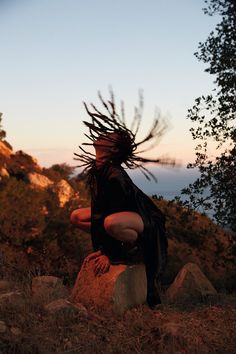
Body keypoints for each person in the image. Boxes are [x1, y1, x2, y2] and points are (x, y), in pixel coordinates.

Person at [70, 92, 175, 309]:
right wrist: (100, 247)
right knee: (77, 216)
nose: (103, 135)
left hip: (143, 219)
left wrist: (110, 255)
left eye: (110, 136)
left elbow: (108, 216)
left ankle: (132, 250)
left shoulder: (115, 175)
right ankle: (119, 244)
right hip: (119, 215)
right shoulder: (98, 171)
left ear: (114, 150)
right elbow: (99, 211)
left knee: (112, 223)